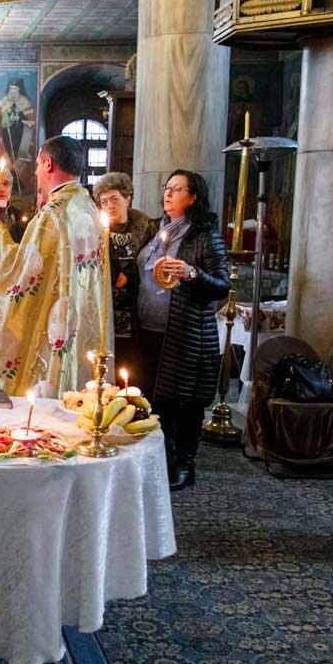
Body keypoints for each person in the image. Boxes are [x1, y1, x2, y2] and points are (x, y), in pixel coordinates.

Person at [0, 136, 111, 397]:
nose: (36, 172)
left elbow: (21, 273)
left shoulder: (53, 214)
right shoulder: (88, 207)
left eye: (38, 164)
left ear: (48, 164)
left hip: (57, 328)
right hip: (79, 324)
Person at [135, 170, 231, 489]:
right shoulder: (155, 229)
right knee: (152, 400)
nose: (168, 193)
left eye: (177, 189)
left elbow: (222, 285)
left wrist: (192, 273)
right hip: (148, 329)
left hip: (185, 332)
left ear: (193, 197)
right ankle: (158, 461)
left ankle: (184, 465)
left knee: (184, 403)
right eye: (167, 187)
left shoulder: (205, 235)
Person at [95, 172, 155, 358]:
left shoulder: (145, 229)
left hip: (135, 310)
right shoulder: (94, 230)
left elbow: (150, 263)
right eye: (104, 202)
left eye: (114, 199)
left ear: (127, 199)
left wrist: (131, 273)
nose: (109, 206)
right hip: (104, 309)